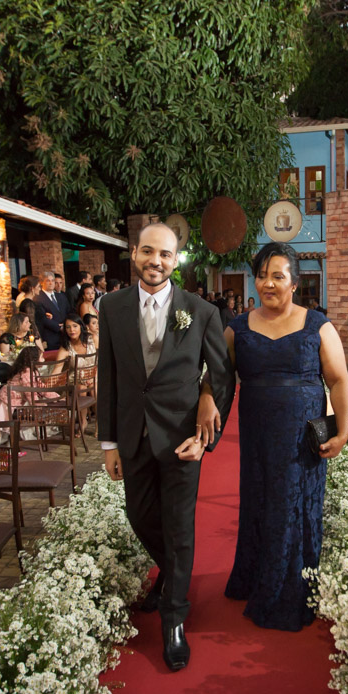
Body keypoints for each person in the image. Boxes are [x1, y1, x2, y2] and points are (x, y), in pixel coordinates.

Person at [97, 222, 235, 671]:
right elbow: (108, 376)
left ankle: (174, 617)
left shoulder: (201, 311)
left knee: (178, 527)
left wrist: (205, 433)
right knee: (139, 516)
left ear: (176, 260)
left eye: (165, 254)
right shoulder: (111, 307)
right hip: (133, 435)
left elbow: (222, 375)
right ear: (134, 253)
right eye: (148, 252)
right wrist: (109, 443)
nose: (155, 261)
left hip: (182, 441)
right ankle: (174, 574)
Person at [223, 241, 348, 631]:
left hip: (302, 442)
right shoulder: (237, 328)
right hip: (257, 438)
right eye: (262, 276)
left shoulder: (318, 325)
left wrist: (342, 430)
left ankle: (291, 588)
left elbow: (339, 380)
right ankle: (256, 576)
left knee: (294, 506)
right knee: (260, 502)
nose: (268, 283)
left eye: (277, 276)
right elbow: (219, 380)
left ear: (294, 283)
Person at [33, 270, 68, 353]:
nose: (51, 283)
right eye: (48, 281)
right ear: (42, 283)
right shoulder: (38, 298)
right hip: (50, 337)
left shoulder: (61, 296)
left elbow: (68, 311)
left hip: (65, 336)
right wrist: (59, 327)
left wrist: (67, 325)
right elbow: (42, 318)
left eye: (52, 280)